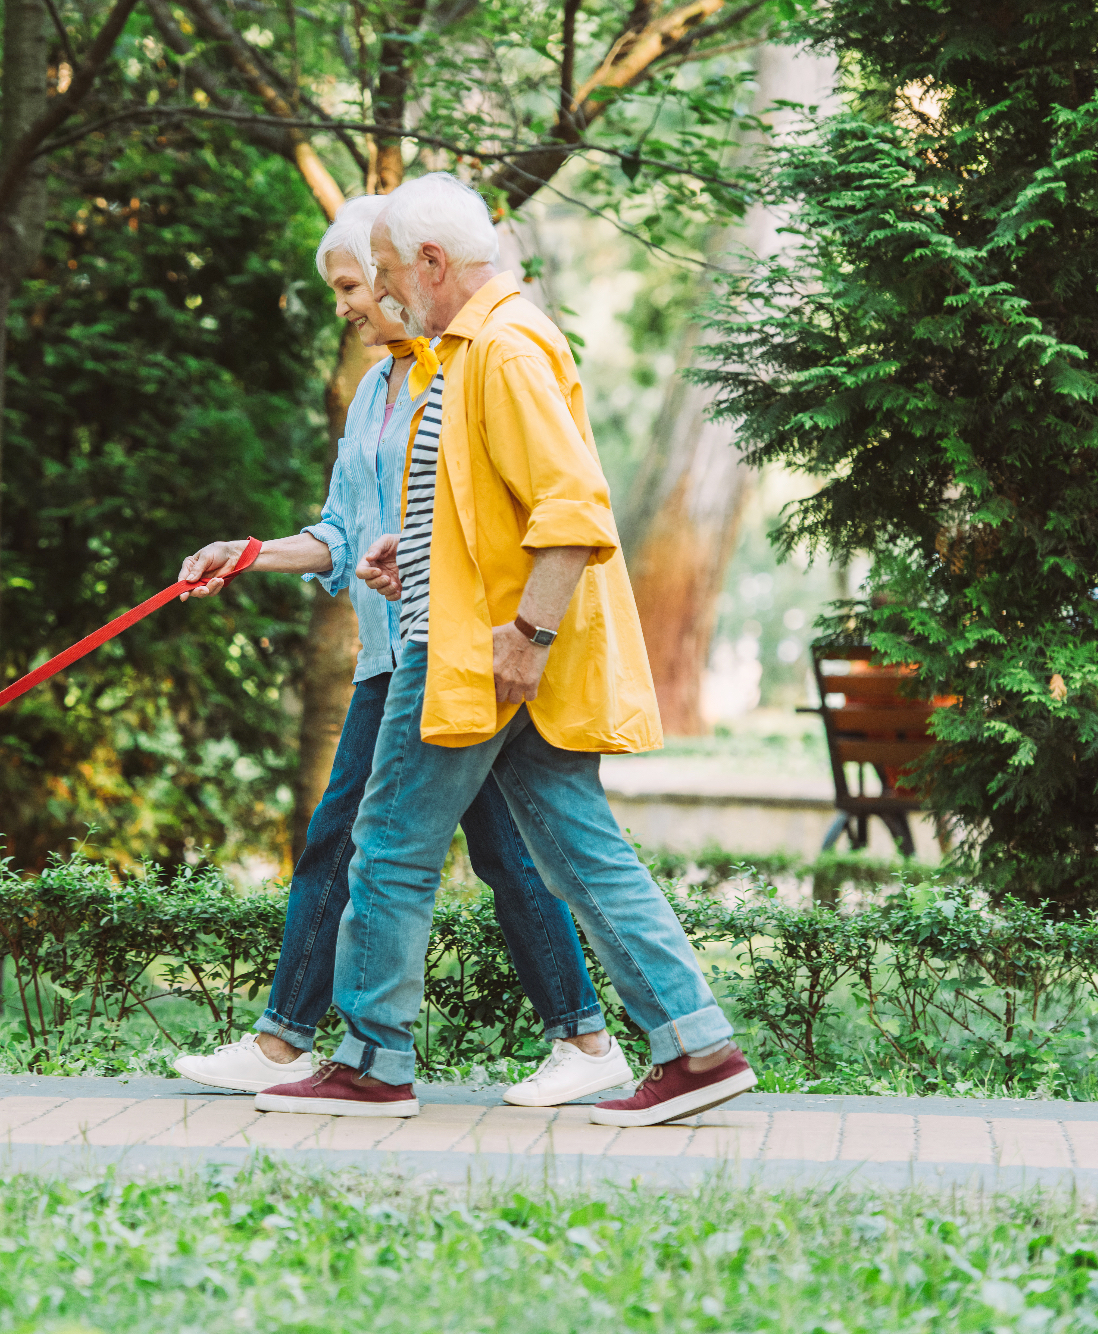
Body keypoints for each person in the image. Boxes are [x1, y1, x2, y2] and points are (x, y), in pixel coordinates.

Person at [254, 174, 755, 1126]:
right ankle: (697, 1046)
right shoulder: (470, 352)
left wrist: (525, 637)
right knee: (578, 849)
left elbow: (573, 510)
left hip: (488, 654)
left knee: (391, 843)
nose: (388, 293)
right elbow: (504, 507)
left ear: (435, 264)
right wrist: (425, 544)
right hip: (492, 639)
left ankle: (370, 1062)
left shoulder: (502, 348)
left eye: (392, 273)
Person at [167, 193, 632, 1109]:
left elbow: (546, 511)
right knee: (357, 841)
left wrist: (524, 635)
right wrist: (251, 552)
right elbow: (345, 532)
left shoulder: (465, 370)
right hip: (395, 653)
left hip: (460, 649)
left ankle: (570, 1037)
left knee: (480, 848)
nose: (348, 302)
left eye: (356, 282)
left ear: (399, 276)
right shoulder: (376, 392)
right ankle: (300, 1042)